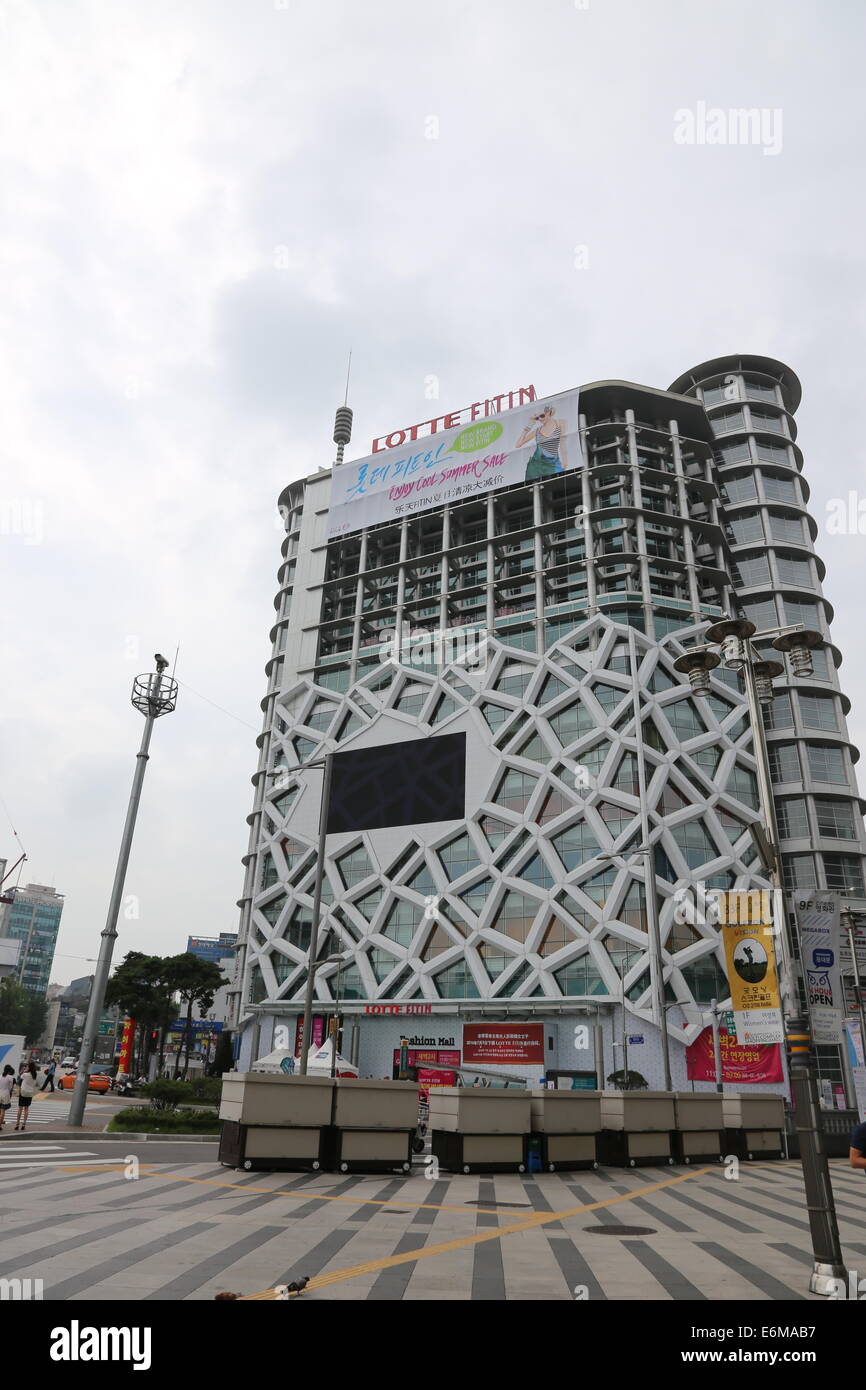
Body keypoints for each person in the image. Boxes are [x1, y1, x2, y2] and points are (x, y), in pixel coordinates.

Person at [14, 1061, 40, 1131]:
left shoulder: (25, 1074)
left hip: (23, 1092)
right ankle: (24, 1125)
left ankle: (17, 1124)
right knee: (26, 1109)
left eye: (27, 1066)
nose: (26, 1067)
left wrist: (24, 1071)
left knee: (20, 1109)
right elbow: (35, 1084)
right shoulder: (35, 1075)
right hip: (30, 1093)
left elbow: (20, 1075)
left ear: (29, 1067)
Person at [0, 1065, 14, 1130]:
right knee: (2, 1111)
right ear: (9, 1070)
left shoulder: (0, 1075)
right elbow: (10, 1087)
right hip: (5, 1094)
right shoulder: (10, 1077)